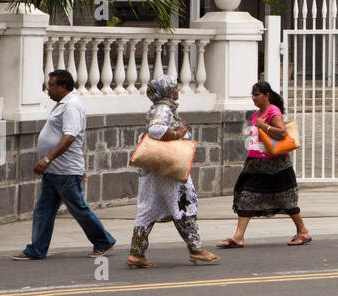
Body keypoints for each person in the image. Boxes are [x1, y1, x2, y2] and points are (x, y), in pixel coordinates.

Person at [12, 69, 116, 260]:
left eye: (51, 85)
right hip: (55, 171)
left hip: (65, 171)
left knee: (78, 208)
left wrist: (47, 159)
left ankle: (103, 241)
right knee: (44, 209)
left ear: (63, 86)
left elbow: (70, 137)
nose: (48, 89)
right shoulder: (63, 105)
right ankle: (37, 248)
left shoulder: (71, 106)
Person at [127, 75, 219, 268]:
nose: (178, 90)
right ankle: (196, 249)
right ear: (167, 91)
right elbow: (155, 130)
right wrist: (178, 133)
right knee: (183, 205)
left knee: (149, 209)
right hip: (167, 171)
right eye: (174, 87)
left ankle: (137, 253)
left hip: (156, 170)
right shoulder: (164, 109)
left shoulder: (160, 108)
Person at [218, 82, 312, 247]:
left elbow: (282, 132)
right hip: (255, 165)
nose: (254, 98)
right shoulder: (257, 114)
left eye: (257, 95)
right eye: (253, 95)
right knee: (246, 196)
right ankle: (238, 236)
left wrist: (264, 125)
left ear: (266, 95)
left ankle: (303, 231)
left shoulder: (273, 112)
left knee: (286, 199)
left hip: (276, 166)